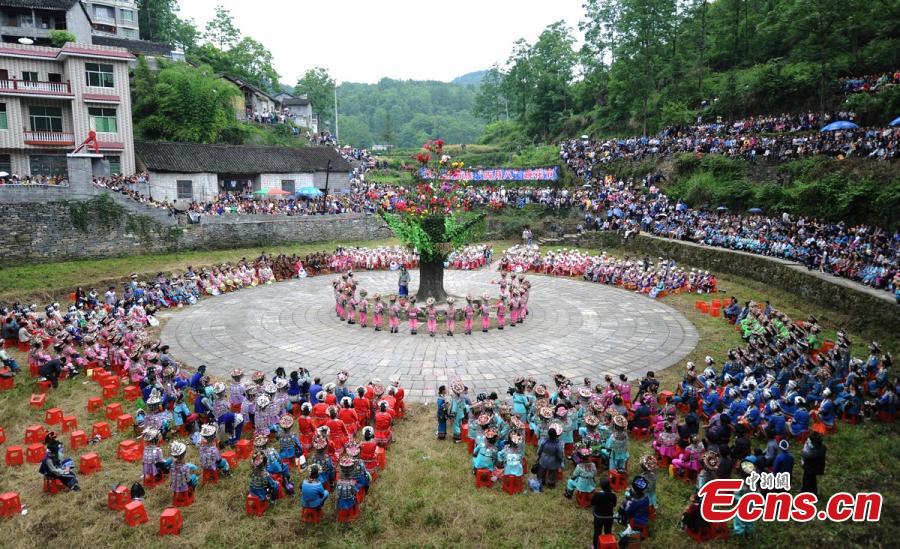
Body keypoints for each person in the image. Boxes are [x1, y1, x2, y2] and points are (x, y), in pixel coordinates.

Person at [537, 425, 565, 489]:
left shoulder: (544, 441)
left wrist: (539, 456)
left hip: (543, 459)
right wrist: (561, 460)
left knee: (542, 471)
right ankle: (551, 484)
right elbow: (560, 454)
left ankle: (542, 481)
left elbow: (539, 450)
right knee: (552, 473)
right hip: (553, 461)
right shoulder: (558, 444)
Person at [591, 479, 617, 547]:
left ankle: (595, 546)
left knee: (597, 532)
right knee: (608, 532)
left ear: (601, 486)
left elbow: (592, 503)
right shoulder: (613, 495)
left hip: (598, 517)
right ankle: (608, 546)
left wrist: (594, 511)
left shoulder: (597, 494)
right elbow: (614, 505)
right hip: (609, 517)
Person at [800, 432, 827, 496]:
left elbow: (805, 455)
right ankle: (813, 493)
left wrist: (804, 450)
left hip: (810, 469)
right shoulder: (822, 447)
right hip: (817, 468)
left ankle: (805, 493)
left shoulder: (812, 453)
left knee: (807, 481)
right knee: (813, 481)